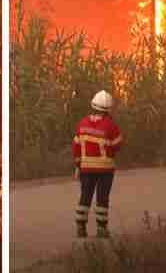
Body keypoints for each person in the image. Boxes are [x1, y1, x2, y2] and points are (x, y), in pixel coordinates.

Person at [72, 89, 122, 238]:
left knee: (85, 196)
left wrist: (77, 164)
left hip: (86, 169)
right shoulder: (111, 126)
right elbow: (117, 145)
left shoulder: (82, 123)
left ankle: (80, 227)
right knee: (102, 198)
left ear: (93, 106)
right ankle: (101, 229)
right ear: (108, 110)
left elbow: (75, 146)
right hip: (105, 170)